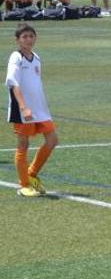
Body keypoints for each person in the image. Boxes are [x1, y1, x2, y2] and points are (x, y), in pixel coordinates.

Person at [6, 23, 58, 197]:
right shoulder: (16, 57)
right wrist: (23, 106)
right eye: (24, 37)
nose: (28, 39)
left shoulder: (36, 57)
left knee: (52, 140)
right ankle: (23, 185)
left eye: (31, 36)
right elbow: (14, 83)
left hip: (40, 109)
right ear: (18, 40)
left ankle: (31, 174)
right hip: (23, 109)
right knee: (23, 144)